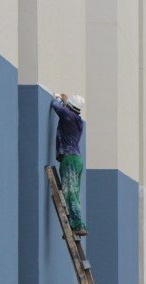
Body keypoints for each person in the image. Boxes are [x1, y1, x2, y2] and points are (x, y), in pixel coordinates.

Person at [51, 93, 87, 236]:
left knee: (69, 192)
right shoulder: (78, 120)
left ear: (70, 107)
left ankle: (77, 224)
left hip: (70, 159)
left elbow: (55, 106)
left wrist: (58, 98)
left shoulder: (68, 116)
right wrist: (67, 102)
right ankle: (76, 222)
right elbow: (67, 111)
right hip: (77, 158)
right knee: (74, 192)